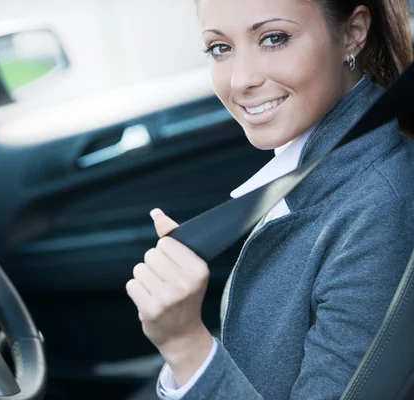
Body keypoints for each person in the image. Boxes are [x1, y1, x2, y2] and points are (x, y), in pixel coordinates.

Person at [125, 0, 414, 399]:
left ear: (352, 33)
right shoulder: (314, 166)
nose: (240, 79)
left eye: (274, 38)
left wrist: (184, 344)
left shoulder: (384, 209)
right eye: (220, 48)